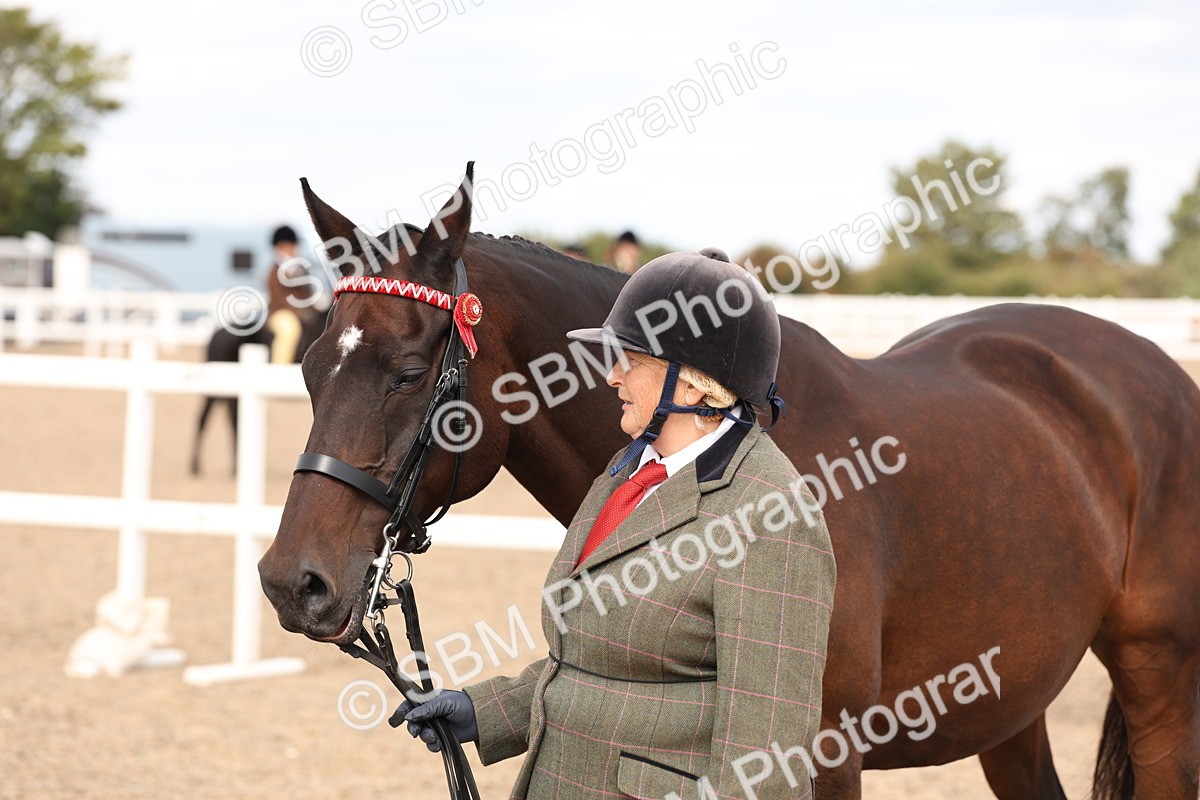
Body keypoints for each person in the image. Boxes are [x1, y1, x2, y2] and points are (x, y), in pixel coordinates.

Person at [395, 248, 837, 798]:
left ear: (695, 384)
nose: (610, 376)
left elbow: (766, 755)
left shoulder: (770, 518)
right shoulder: (628, 469)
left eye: (628, 359)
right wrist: (484, 711)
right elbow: (599, 664)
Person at [264, 224, 319, 364]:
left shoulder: (301, 269)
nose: (293, 249)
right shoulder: (274, 272)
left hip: (300, 312)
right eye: (289, 245)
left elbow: (307, 294)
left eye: (293, 245)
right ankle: (279, 368)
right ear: (280, 246)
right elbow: (280, 299)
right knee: (289, 329)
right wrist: (300, 311)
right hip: (280, 313)